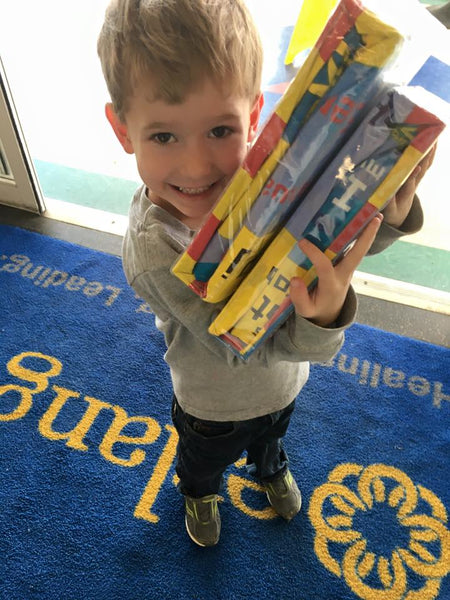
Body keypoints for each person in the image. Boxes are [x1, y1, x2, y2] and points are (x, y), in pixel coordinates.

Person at [97, 0, 433, 547]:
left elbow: (320, 248)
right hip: (213, 403)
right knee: (204, 460)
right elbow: (242, 345)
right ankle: (199, 492)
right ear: (122, 129)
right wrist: (321, 321)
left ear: (255, 115)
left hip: (283, 386)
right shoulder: (155, 253)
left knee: (272, 437)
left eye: (220, 130)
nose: (196, 167)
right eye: (163, 136)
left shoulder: (267, 180)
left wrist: (384, 219)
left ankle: (269, 467)